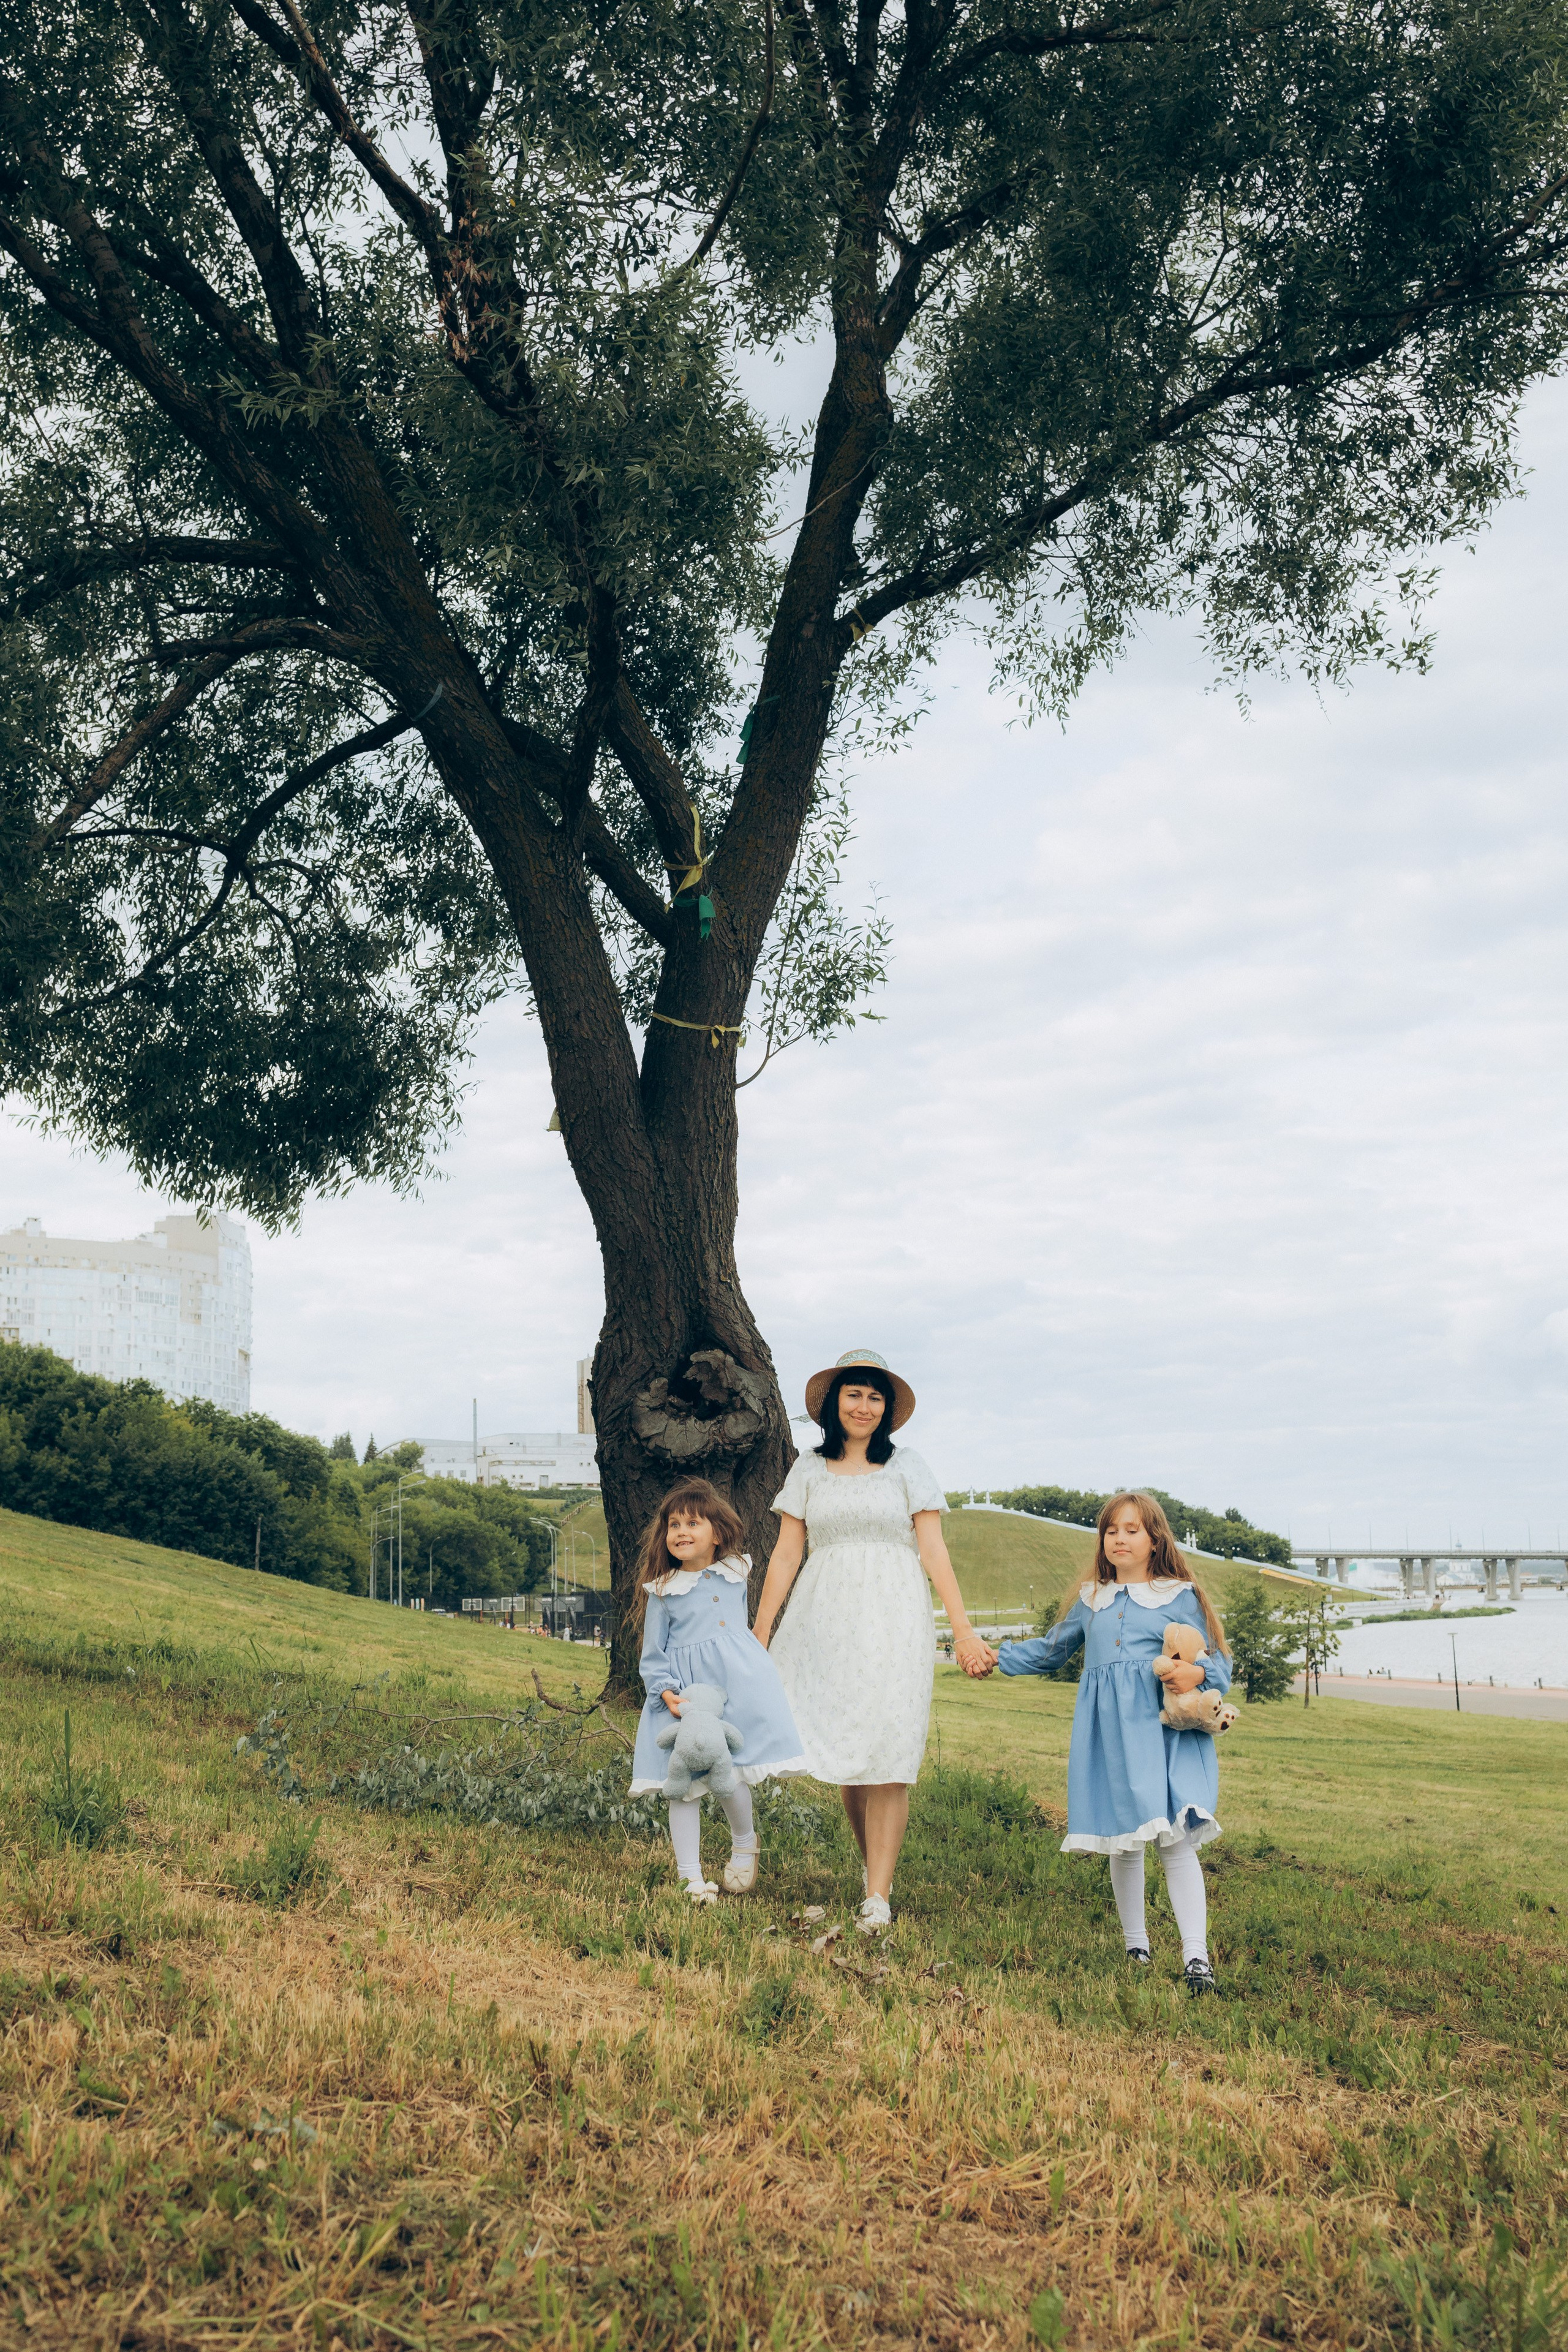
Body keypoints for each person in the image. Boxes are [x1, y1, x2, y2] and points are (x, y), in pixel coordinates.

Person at [753, 1348, 997, 1934]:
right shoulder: (808, 1469)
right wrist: (758, 1634)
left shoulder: (908, 1466)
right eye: (854, 1394)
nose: (864, 1406)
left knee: (888, 1750)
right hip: (825, 1620)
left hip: (895, 1619)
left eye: (875, 1396)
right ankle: (871, 1871)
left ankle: (879, 1897)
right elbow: (787, 1555)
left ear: (887, 1410)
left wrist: (961, 1630)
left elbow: (934, 1552)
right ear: (834, 1403)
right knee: (850, 1752)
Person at [979, 1490, 1231, 1991]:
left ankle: (1196, 1958)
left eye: (1132, 1530)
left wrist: (1196, 1674)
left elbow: (1218, 1662)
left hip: (1162, 1734)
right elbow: (1052, 1651)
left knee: (1176, 1843)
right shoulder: (1091, 1599)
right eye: (1111, 1530)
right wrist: (995, 1658)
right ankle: (1135, 1945)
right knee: (1125, 1842)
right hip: (1112, 1736)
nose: (1120, 1538)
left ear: (1155, 1537)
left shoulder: (1179, 1594)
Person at [629, 1477, 807, 1905]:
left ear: (718, 1534)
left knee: (732, 1773)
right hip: (686, 1697)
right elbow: (653, 1654)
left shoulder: (735, 1570)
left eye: (693, 1523)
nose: (681, 1532)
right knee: (683, 1782)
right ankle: (690, 1878)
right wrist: (664, 1692)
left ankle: (745, 1844)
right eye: (674, 1525)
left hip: (736, 1686)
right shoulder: (663, 1591)